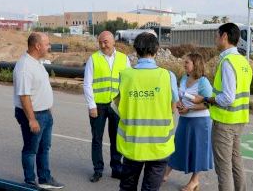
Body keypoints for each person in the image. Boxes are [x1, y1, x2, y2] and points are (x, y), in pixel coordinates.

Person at [192, 23, 253, 191]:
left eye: (217, 35)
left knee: (224, 168)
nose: (215, 39)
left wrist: (205, 99)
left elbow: (227, 97)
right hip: (239, 120)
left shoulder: (227, 62)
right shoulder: (243, 61)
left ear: (224, 36)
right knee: (236, 163)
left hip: (225, 122)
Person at [115, 32, 179, 191]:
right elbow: (173, 107)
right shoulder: (167, 76)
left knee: (127, 187)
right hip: (159, 146)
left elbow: (117, 107)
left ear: (135, 50)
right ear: (156, 49)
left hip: (132, 145)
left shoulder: (125, 75)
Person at [13, 32, 64, 189]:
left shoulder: (37, 62)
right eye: (47, 44)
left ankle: (44, 178)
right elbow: (24, 96)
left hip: (44, 113)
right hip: (33, 115)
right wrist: (32, 119)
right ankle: (29, 182)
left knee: (44, 148)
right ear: (37, 46)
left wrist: (48, 109)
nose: (49, 47)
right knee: (30, 149)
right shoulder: (24, 67)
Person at [83, 31, 131, 182]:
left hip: (116, 105)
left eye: (105, 42)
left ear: (113, 41)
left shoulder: (124, 59)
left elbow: (128, 83)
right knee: (97, 138)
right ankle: (98, 170)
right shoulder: (94, 59)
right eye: (100, 42)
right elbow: (87, 84)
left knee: (116, 138)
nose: (103, 45)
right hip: (98, 105)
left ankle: (116, 168)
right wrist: (91, 105)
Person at [163, 53, 213, 191]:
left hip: (200, 122)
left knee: (197, 151)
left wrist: (189, 109)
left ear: (195, 64)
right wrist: (179, 104)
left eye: (187, 63)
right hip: (185, 119)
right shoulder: (185, 78)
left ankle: (194, 181)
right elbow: (180, 95)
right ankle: (165, 173)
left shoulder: (203, 82)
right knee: (177, 146)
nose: (184, 64)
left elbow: (208, 104)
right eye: (184, 62)